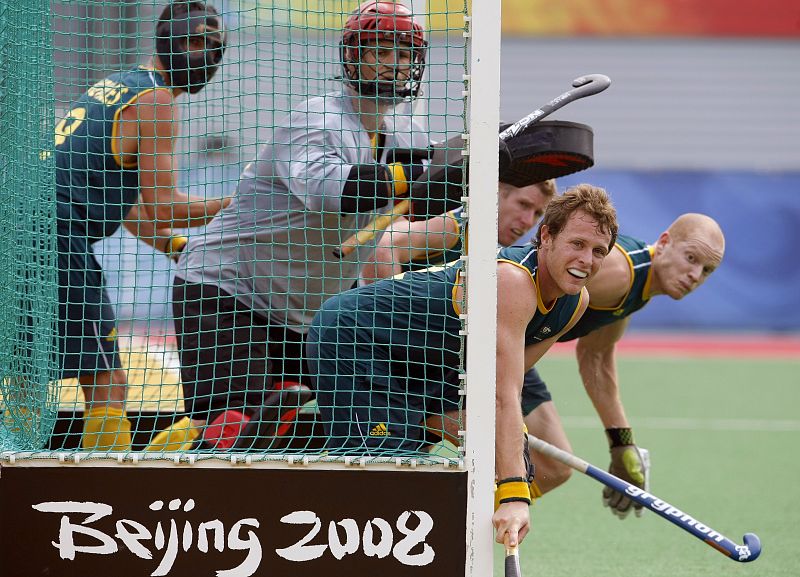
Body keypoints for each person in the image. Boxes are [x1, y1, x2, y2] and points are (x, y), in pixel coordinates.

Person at [146, 1, 446, 452]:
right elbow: (334, 193)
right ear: (353, 56)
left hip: (311, 313)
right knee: (231, 430)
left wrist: (457, 175)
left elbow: (417, 210)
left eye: (403, 55)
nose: (393, 65)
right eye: (380, 51)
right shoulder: (317, 117)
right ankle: (150, 473)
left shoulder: (410, 132)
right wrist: (427, 172)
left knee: (386, 407)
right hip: (229, 292)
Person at [307, 184, 619, 548]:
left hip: (427, 364)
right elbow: (504, 397)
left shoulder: (574, 303)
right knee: (382, 486)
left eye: (599, 251)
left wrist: (490, 447)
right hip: (358, 339)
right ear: (546, 237)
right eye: (577, 244)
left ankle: (305, 425)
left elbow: (494, 389)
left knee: (416, 476)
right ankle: (304, 435)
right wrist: (514, 494)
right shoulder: (513, 281)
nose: (587, 259)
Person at [52, 0, 229, 451]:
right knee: (108, 381)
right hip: (57, 236)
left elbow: (132, 211)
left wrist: (177, 248)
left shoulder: (122, 84)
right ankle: (102, 488)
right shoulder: (156, 101)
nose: (204, 57)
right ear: (166, 42)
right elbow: (166, 205)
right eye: (194, 43)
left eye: (213, 48)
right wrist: (240, 200)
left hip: (29, 226)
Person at [522, 213, 725, 518]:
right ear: (666, 242)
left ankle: (468, 519)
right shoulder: (619, 272)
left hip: (510, 360)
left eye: (706, 270)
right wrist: (499, 387)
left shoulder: (635, 288)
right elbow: (528, 284)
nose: (695, 274)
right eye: (691, 258)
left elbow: (596, 359)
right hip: (469, 348)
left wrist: (621, 444)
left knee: (554, 467)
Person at [359, 178, 556, 283]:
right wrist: (397, 331)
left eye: (538, 213)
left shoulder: (495, 251)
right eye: (523, 204)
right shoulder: (454, 224)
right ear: (496, 194)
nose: (528, 221)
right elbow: (383, 247)